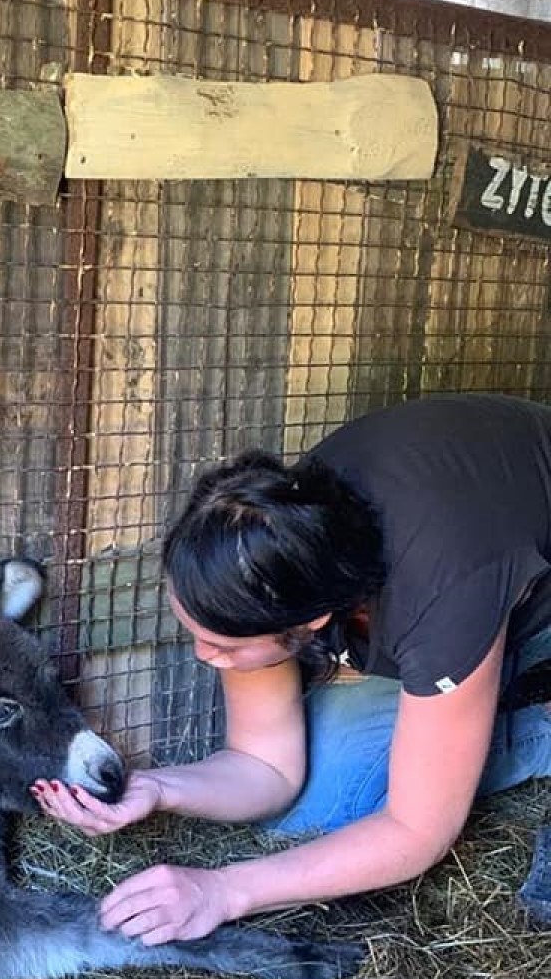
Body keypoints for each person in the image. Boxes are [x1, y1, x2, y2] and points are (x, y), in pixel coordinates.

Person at [31, 392, 551, 945]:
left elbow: (416, 832)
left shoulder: (440, 592)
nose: (205, 656)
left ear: (310, 623)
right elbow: (265, 767)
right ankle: (477, 694)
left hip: (499, 577)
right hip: (470, 559)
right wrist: (157, 787)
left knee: (369, 819)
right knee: (316, 815)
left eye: (223, 645)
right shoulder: (258, 555)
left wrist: (223, 890)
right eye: (198, 634)